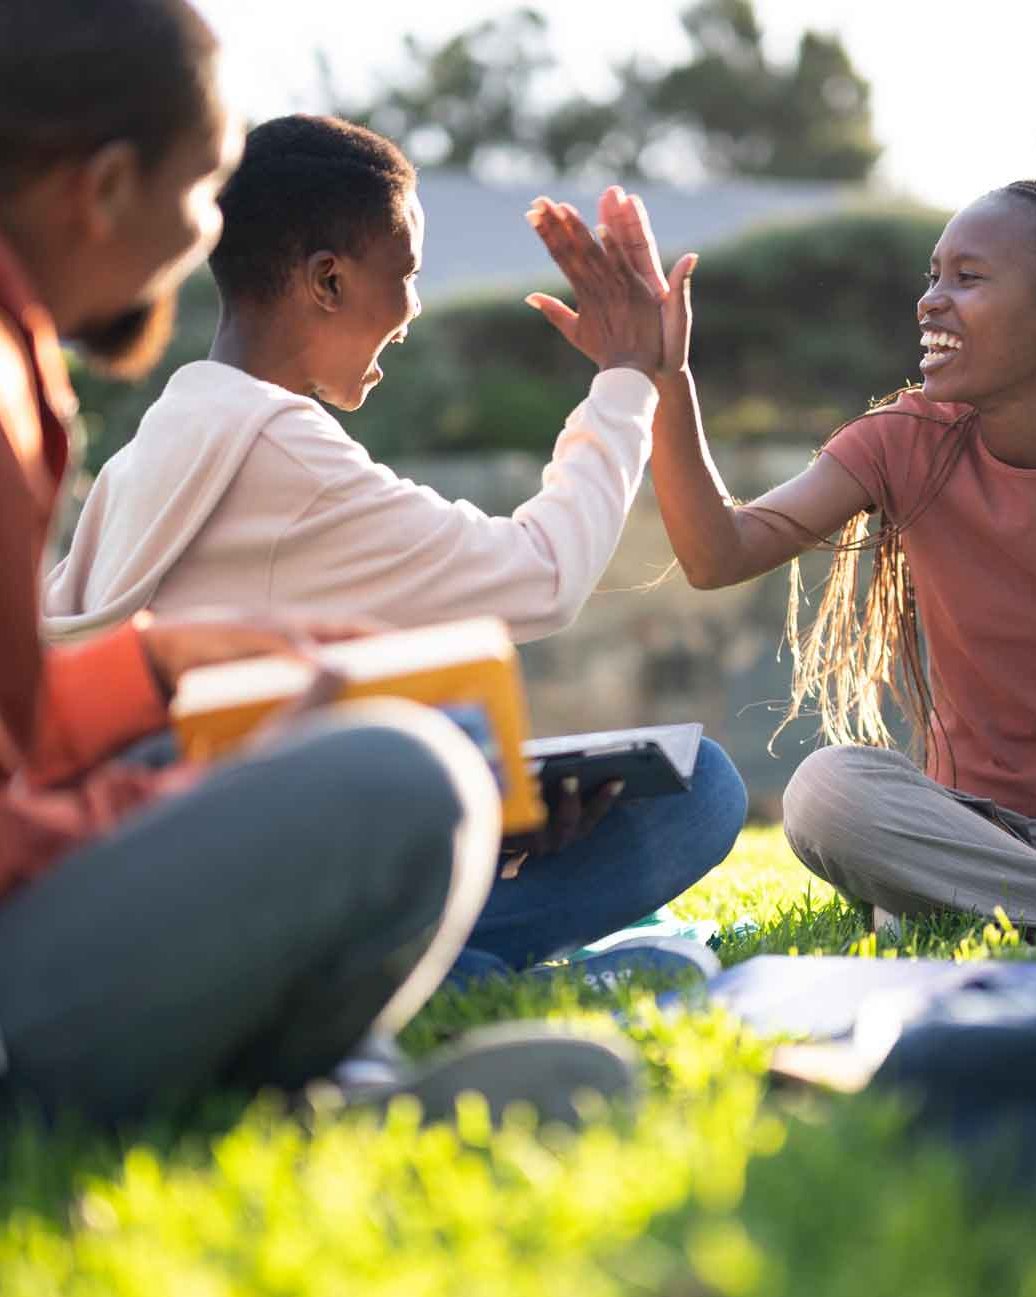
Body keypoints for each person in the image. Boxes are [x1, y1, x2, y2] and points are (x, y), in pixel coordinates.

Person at [0, 0, 635, 1128]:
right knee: (404, 776)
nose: (204, 237)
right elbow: (540, 576)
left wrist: (160, 665)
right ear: (98, 188)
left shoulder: (94, 404)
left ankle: (328, 1064)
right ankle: (340, 1059)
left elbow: (22, 715)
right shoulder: (240, 429)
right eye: (199, 192)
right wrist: (178, 797)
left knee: (443, 776)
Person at [44, 114, 748, 972]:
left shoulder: (157, 441)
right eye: (406, 274)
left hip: (187, 853)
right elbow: (544, 577)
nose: (412, 310)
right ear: (328, 282)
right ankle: (450, 967)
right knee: (699, 789)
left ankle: (453, 958)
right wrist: (629, 379)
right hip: (258, 879)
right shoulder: (280, 449)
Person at [570, 178, 1036, 933]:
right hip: (971, 827)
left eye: (968, 279)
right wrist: (666, 380)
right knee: (826, 791)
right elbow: (718, 555)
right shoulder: (903, 440)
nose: (931, 299)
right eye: (934, 275)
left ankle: (1033, 903)